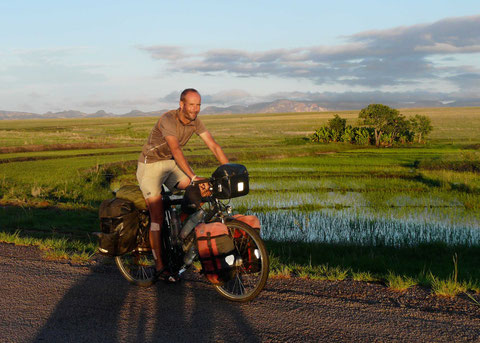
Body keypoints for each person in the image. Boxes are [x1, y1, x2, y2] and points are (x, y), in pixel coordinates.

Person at [136, 88, 229, 282]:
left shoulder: (196, 121)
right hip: (150, 166)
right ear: (182, 104)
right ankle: (160, 266)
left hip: (169, 165)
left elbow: (213, 145)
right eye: (191, 105)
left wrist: (229, 171)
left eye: (198, 105)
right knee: (157, 215)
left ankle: (180, 234)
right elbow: (176, 149)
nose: (195, 109)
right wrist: (193, 176)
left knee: (201, 190)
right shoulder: (168, 119)